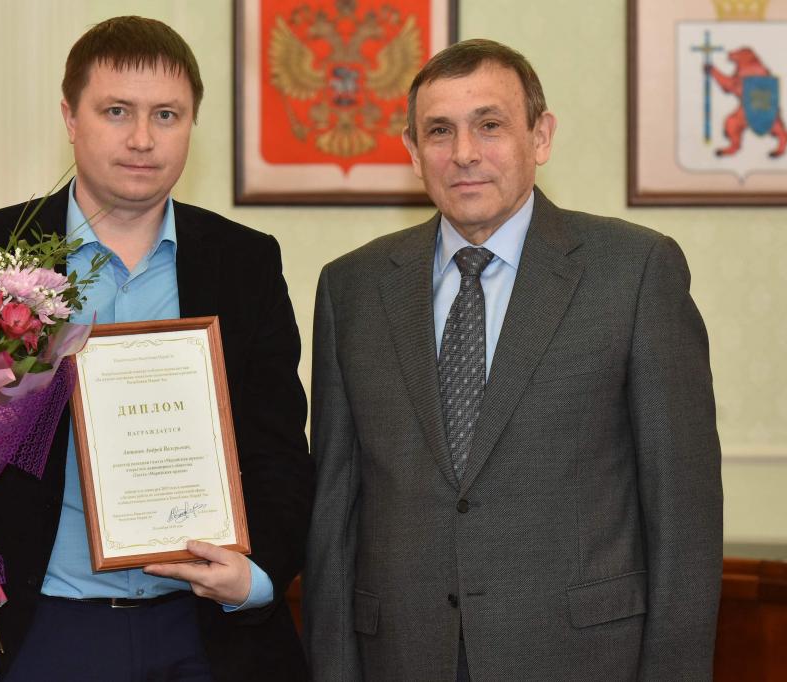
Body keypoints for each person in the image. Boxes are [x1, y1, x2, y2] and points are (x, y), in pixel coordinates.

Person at [0, 16, 313, 681]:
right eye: (116, 111)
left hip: (203, 630)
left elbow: (278, 450)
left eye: (166, 114)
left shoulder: (244, 262)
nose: (142, 138)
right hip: (28, 625)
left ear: (192, 124)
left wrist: (260, 575)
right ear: (70, 118)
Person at [304, 38, 722, 681]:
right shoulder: (352, 288)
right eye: (439, 131)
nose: (464, 153)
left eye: (490, 125)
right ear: (413, 151)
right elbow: (335, 515)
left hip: (580, 659)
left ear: (541, 136)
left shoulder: (634, 271)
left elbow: (683, 515)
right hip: (403, 657)